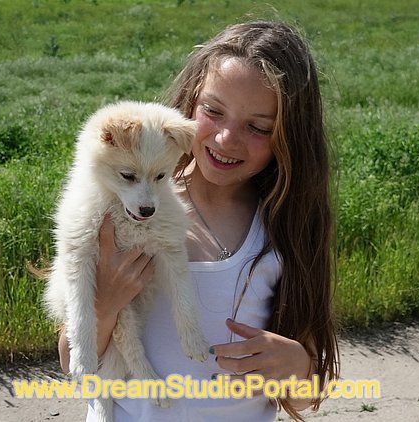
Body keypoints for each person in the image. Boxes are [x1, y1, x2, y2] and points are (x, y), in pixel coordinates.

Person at [58, 20, 339, 421]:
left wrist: (296, 366)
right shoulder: (122, 210)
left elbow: (307, 394)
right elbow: (72, 360)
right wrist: (104, 304)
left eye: (258, 127)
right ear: (190, 102)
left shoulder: (284, 228)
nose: (226, 138)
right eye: (213, 111)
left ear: (289, 135)